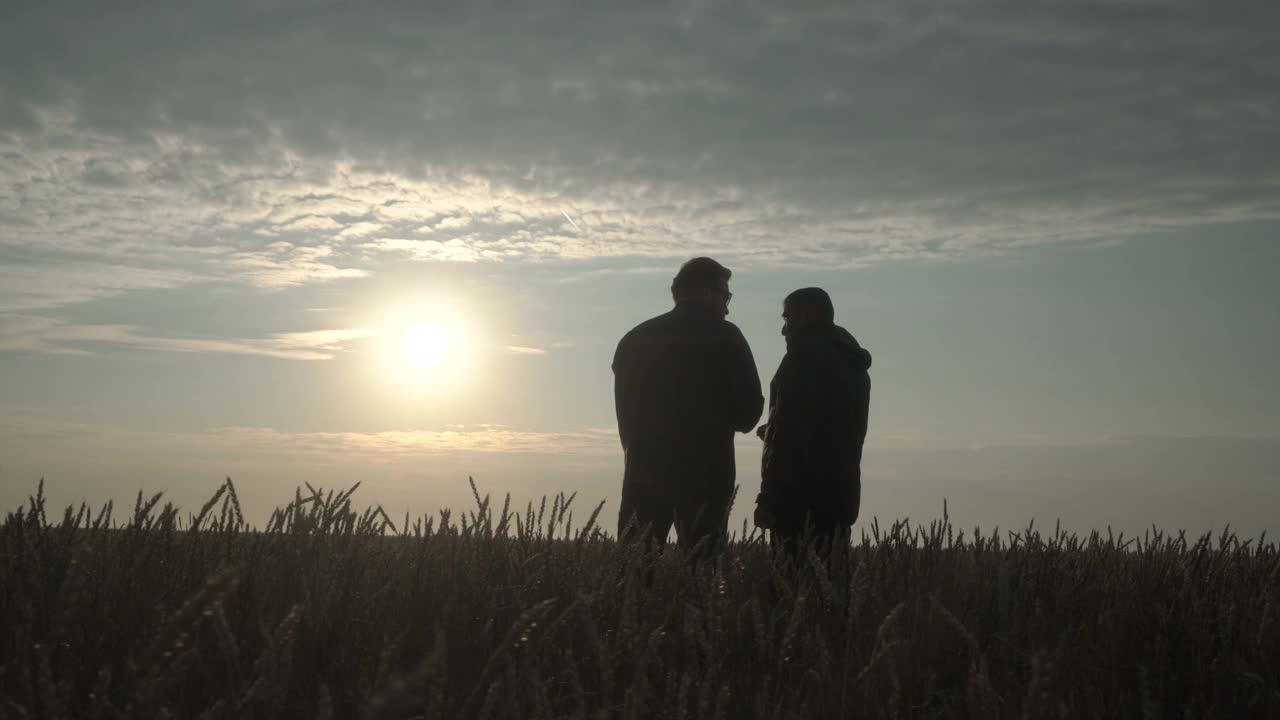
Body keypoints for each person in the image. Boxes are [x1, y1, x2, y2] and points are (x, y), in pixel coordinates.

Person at [613, 257, 764, 554]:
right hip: (706, 475)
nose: (727, 306)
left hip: (643, 469)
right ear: (707, 293)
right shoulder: (727, 337)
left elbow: (625, 414)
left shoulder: (636, 339)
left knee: (633, 573)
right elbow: (748, 415)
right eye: (725, 296)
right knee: (702, 575)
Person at [754, 287, 871, 562]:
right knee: (829, 591)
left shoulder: (802, 360)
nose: (784, 330)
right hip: (841, 495)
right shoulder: (852, 364)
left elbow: (788, 438)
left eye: (787, 319)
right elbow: (829, 424)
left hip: (797, 502)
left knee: (789, 592)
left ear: (806, 316)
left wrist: (768, 500)